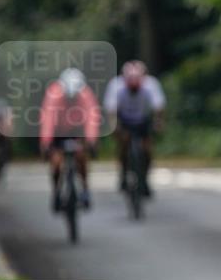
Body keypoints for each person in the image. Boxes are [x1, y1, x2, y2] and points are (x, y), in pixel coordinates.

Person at [39, 68, 101, 211]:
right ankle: (56, 191)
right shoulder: (54, 94)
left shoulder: (85, 94)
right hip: (58, 131)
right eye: (68, 97)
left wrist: (92, 140)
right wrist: (46, 142)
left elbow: (92, 118)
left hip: (77, 131)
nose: (71, 100)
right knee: (56, 163)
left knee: (81, 158)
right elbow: (48, 120)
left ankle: (85, 189)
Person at [104, 60, 166, 196]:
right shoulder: (116, 85)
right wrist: (114, 126)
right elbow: (111, 110)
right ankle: (123, 172)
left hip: (143, 120)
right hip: (124, 120)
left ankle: (145, 179)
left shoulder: (151, 84)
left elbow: (158, 108)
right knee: (123, 144)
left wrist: (158, 122)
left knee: (147, 149)